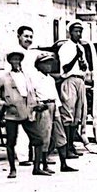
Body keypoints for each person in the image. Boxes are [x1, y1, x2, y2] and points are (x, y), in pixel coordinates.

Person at [18, 24, 75, 174]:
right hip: (43, 108)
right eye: (45, 64)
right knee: (44, 137)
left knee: (60, 136)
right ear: (39, 65)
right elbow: (32, 94)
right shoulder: (34, 77)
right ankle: (42, 166)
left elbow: (55, 96)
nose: (49, 66)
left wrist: (58, 109)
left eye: (50, 63)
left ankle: (64, 163)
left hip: (53, 106)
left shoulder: (50, 79)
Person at [0, 51, 35, 179]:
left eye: (18, 59)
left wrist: (33, 106)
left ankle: (38, 165)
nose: (16, 62)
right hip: (12, 113)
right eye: (13, 59)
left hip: (26, 110)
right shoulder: (4, 77)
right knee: (11, 141)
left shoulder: (26, 75)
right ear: (10, 61)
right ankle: (12, 169)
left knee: (36, 138)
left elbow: (31, 92)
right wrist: (4, 104)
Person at [57, 22, 90, 154]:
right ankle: (65, 148)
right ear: (70, 32)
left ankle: (71, 146)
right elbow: (65, 68)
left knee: (78, 114)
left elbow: (84, 67)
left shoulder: (80, 47)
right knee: (68, 113)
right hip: (69, 80)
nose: (78, 34)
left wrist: (82, 63)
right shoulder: (65, 48)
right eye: (76, 31)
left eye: (80, 31)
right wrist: (76, 56)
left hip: (80, 80)